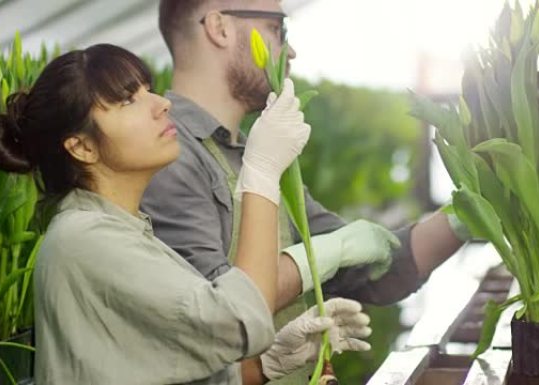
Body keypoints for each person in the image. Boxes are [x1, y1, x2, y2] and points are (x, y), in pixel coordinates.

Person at [0, 44, 372, 385]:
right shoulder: (86, 239)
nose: (161, 102)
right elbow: (240, 321)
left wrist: (266, 365)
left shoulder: (120, 228)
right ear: (81, 147)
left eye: (147, 90)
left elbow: (155, 369)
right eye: (128, 100)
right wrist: (262, 172)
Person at [146, 1, 473, 383]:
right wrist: (328, 252)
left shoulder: (255, 150)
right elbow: (222, 315)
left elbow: (372, 271)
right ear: (219, 27)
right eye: (278, 29)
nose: (292, 51)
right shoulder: (169, 155)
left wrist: (468, 214)